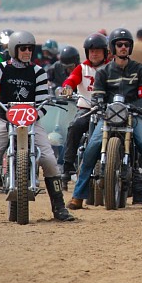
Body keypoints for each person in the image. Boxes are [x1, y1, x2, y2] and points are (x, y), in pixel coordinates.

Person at [0, 30, 74, 223]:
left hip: (32, 123)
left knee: (49, 159)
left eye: (30, 48)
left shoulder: (38, 72)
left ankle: (60, 208)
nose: (27, 52)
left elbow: (42, 101)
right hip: (4, 121)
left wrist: (34, 115)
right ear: (13, 49)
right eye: (23, 48)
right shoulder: (0, 69)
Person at [66, 28, 142, 209]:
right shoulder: (103, 72)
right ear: (113, 47)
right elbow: (97, 95)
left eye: (126, 44)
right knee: (91, 149)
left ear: (130, 47)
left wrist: (137, 107)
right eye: (119, 45)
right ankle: (78, 196)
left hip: (132, 116)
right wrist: (100, 104)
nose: (123, 47)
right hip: (108, 117)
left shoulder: (140, 70)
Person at [59, 33, 110, 192]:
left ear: (105, 52)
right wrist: (67, 88)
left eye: (98, 50)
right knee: (74, 126)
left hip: (108, 112)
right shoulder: (82, 67)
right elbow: (71, 80)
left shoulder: (111, 67)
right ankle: (67, 167)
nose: (94, 53)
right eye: (91, 51)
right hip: (86, 109)